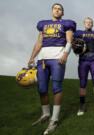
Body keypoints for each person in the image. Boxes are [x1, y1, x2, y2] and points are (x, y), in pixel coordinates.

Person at [28, 3, 76, 134]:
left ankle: (54, 119)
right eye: (55, 8)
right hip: (42, 59)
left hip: (57, 58)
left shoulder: (66, 24)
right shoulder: (43, 24)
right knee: (42, 88)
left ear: (62, 12)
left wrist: (65, 54)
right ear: (51, 11)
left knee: (56, 88)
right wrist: (32, 57)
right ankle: (46, 114)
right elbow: (39, 42)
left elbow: (69, 41)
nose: (57, 10)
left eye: (60, 9)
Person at [74, 17, 94, 116]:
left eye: (90, 22)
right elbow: (71, 40)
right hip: (83, 60)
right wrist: (76, 48)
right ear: (84, 23)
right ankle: (82, 105)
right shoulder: (79, 33)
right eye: (87, 22)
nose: (89, 24)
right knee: (82, 82)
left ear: (92, 24)